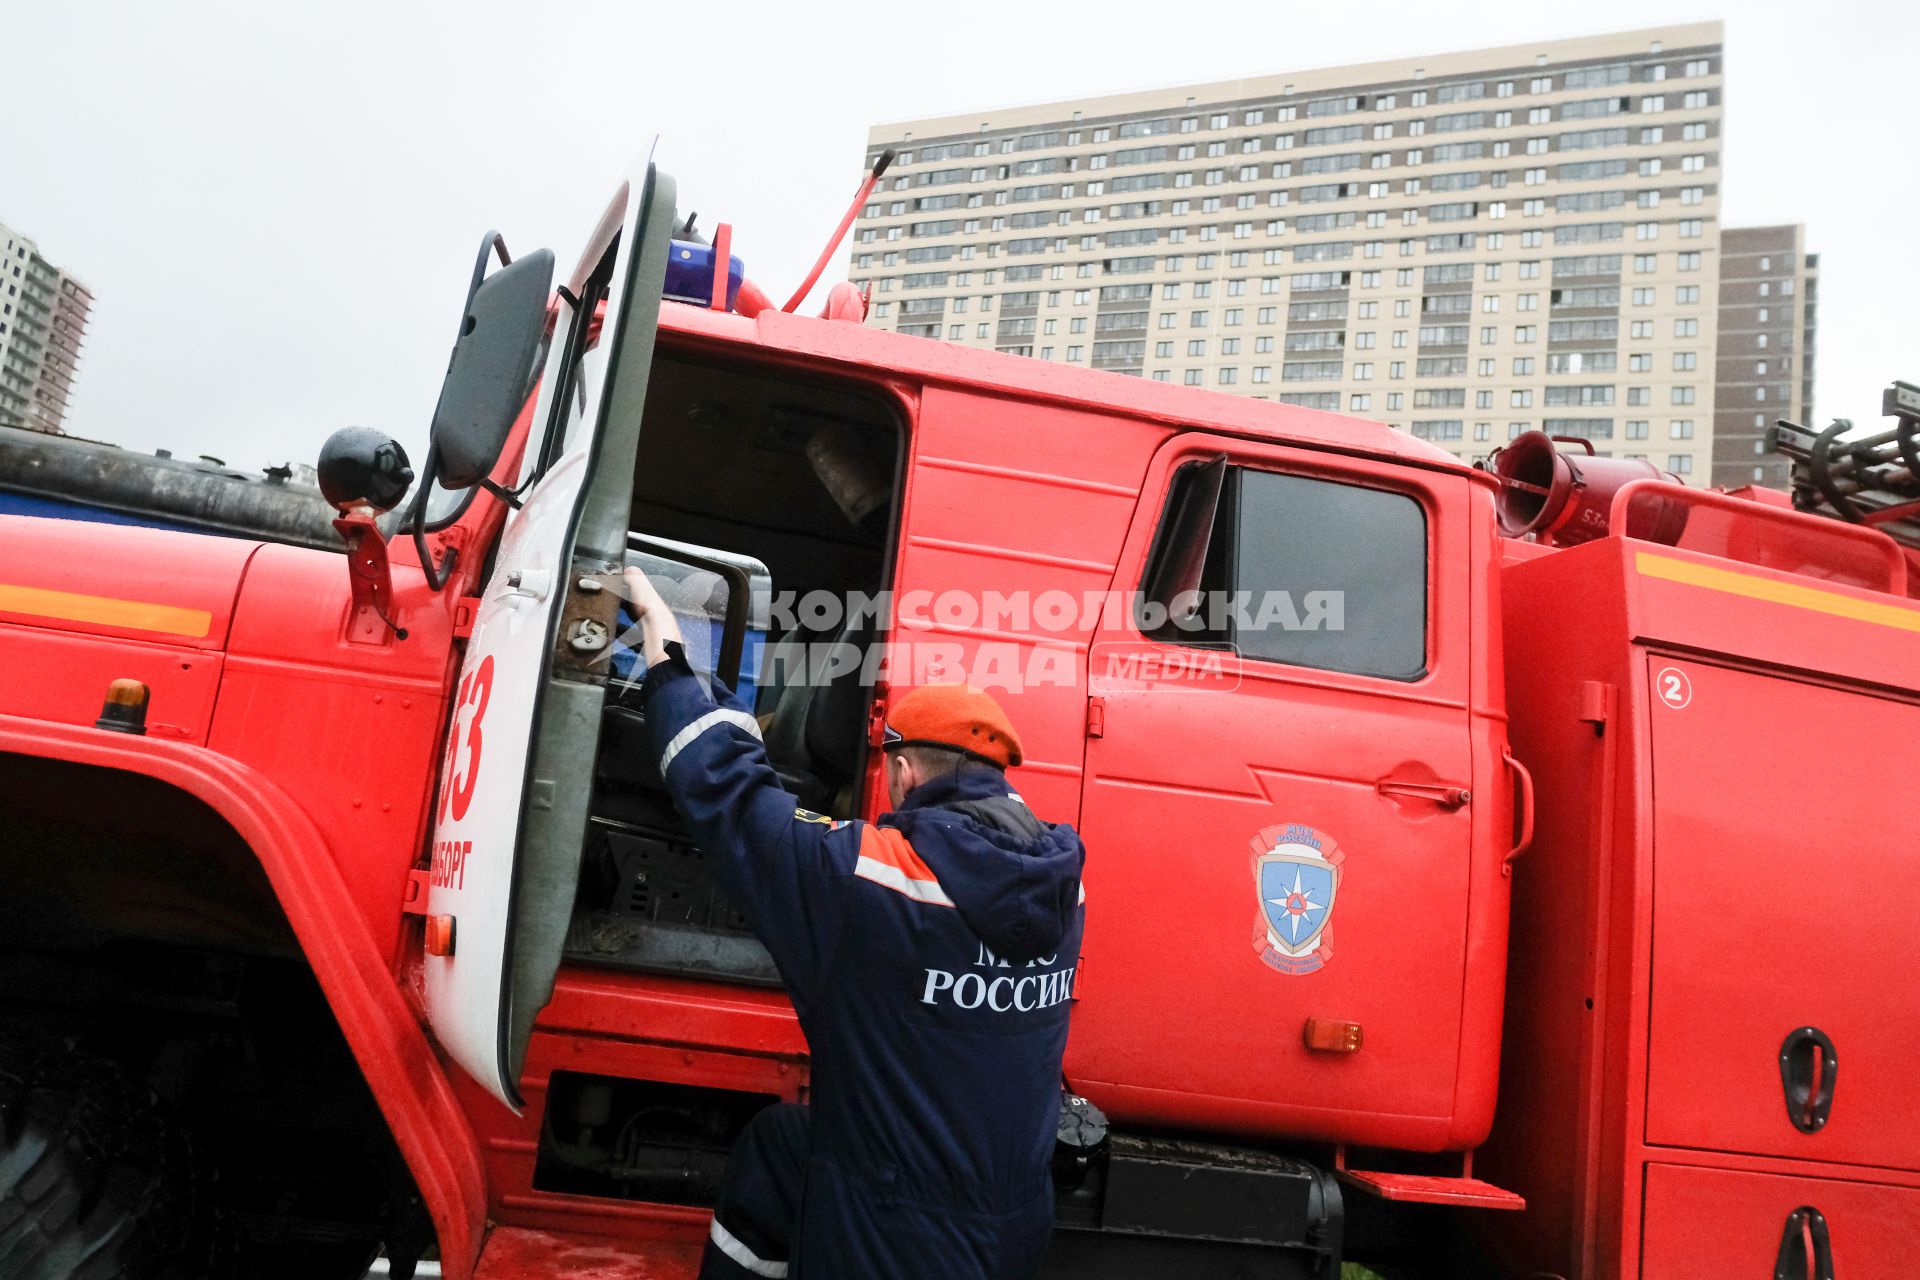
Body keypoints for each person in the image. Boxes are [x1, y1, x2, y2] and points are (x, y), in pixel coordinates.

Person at [622, 566, 1087, 1280]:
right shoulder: (1067, 890)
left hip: (894, 1239)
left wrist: (668, 661)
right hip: (1015, 1226)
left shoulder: (872, 882)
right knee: (782, 1147)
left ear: (901, 773)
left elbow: (734, 793)